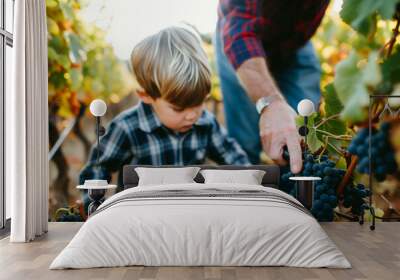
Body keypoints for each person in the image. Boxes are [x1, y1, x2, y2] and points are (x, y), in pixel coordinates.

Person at [79, 26, 250, 194]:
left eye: (199, 103)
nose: (192, 115)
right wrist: (96, 209)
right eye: (178, 108)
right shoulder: (127, 128)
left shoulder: (207, 124)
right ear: (146, 96)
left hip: (190, 213)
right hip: (142, 215)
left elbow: (235, 160)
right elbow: (97, 170)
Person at [215, 0, 329, 173]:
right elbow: (240, 31)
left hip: (293, 44)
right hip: (240, 40)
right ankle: (245, 192)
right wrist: (271, 104)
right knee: (244, 146)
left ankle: (296, 188)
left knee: (304, 136)